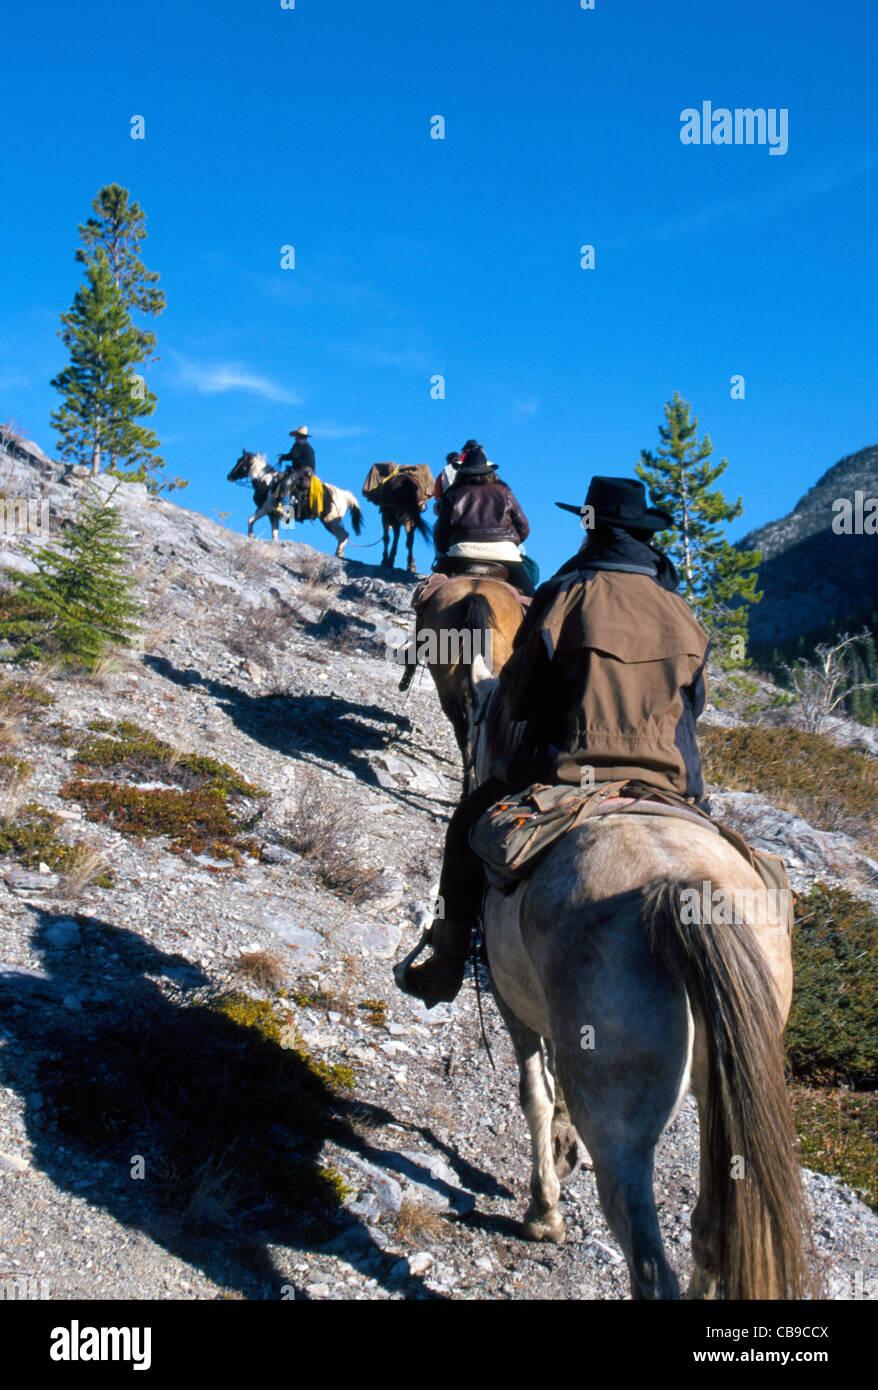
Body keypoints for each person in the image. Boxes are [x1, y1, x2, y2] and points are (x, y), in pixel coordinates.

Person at [395, 475, 711, 1008]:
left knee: (465, 828)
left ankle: (447, 964)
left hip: (563, 768)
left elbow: (518, 695)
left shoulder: (565, 593)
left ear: (590, 528)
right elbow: (694, 705)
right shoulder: (680, 610)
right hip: (670, 780)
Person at [432, 451, 534, 597]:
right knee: (532, 602)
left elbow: (440, 533)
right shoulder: (505, 492)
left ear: (462, 472)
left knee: (428, 595)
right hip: (505, 555)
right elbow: (524, 528)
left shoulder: (452, 494)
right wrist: (509, 544)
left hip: (461, 554)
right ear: (489, 472)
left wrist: (446, 551)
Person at [278, 426, 316, 515]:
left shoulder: (298, 444)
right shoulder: (308, 446)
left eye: (296, 435)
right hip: (309, 471)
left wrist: (283, 457)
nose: (295, 438)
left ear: (299, 436)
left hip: (301, 470)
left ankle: (287, 514)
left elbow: (294, 456)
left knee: (285, 484)